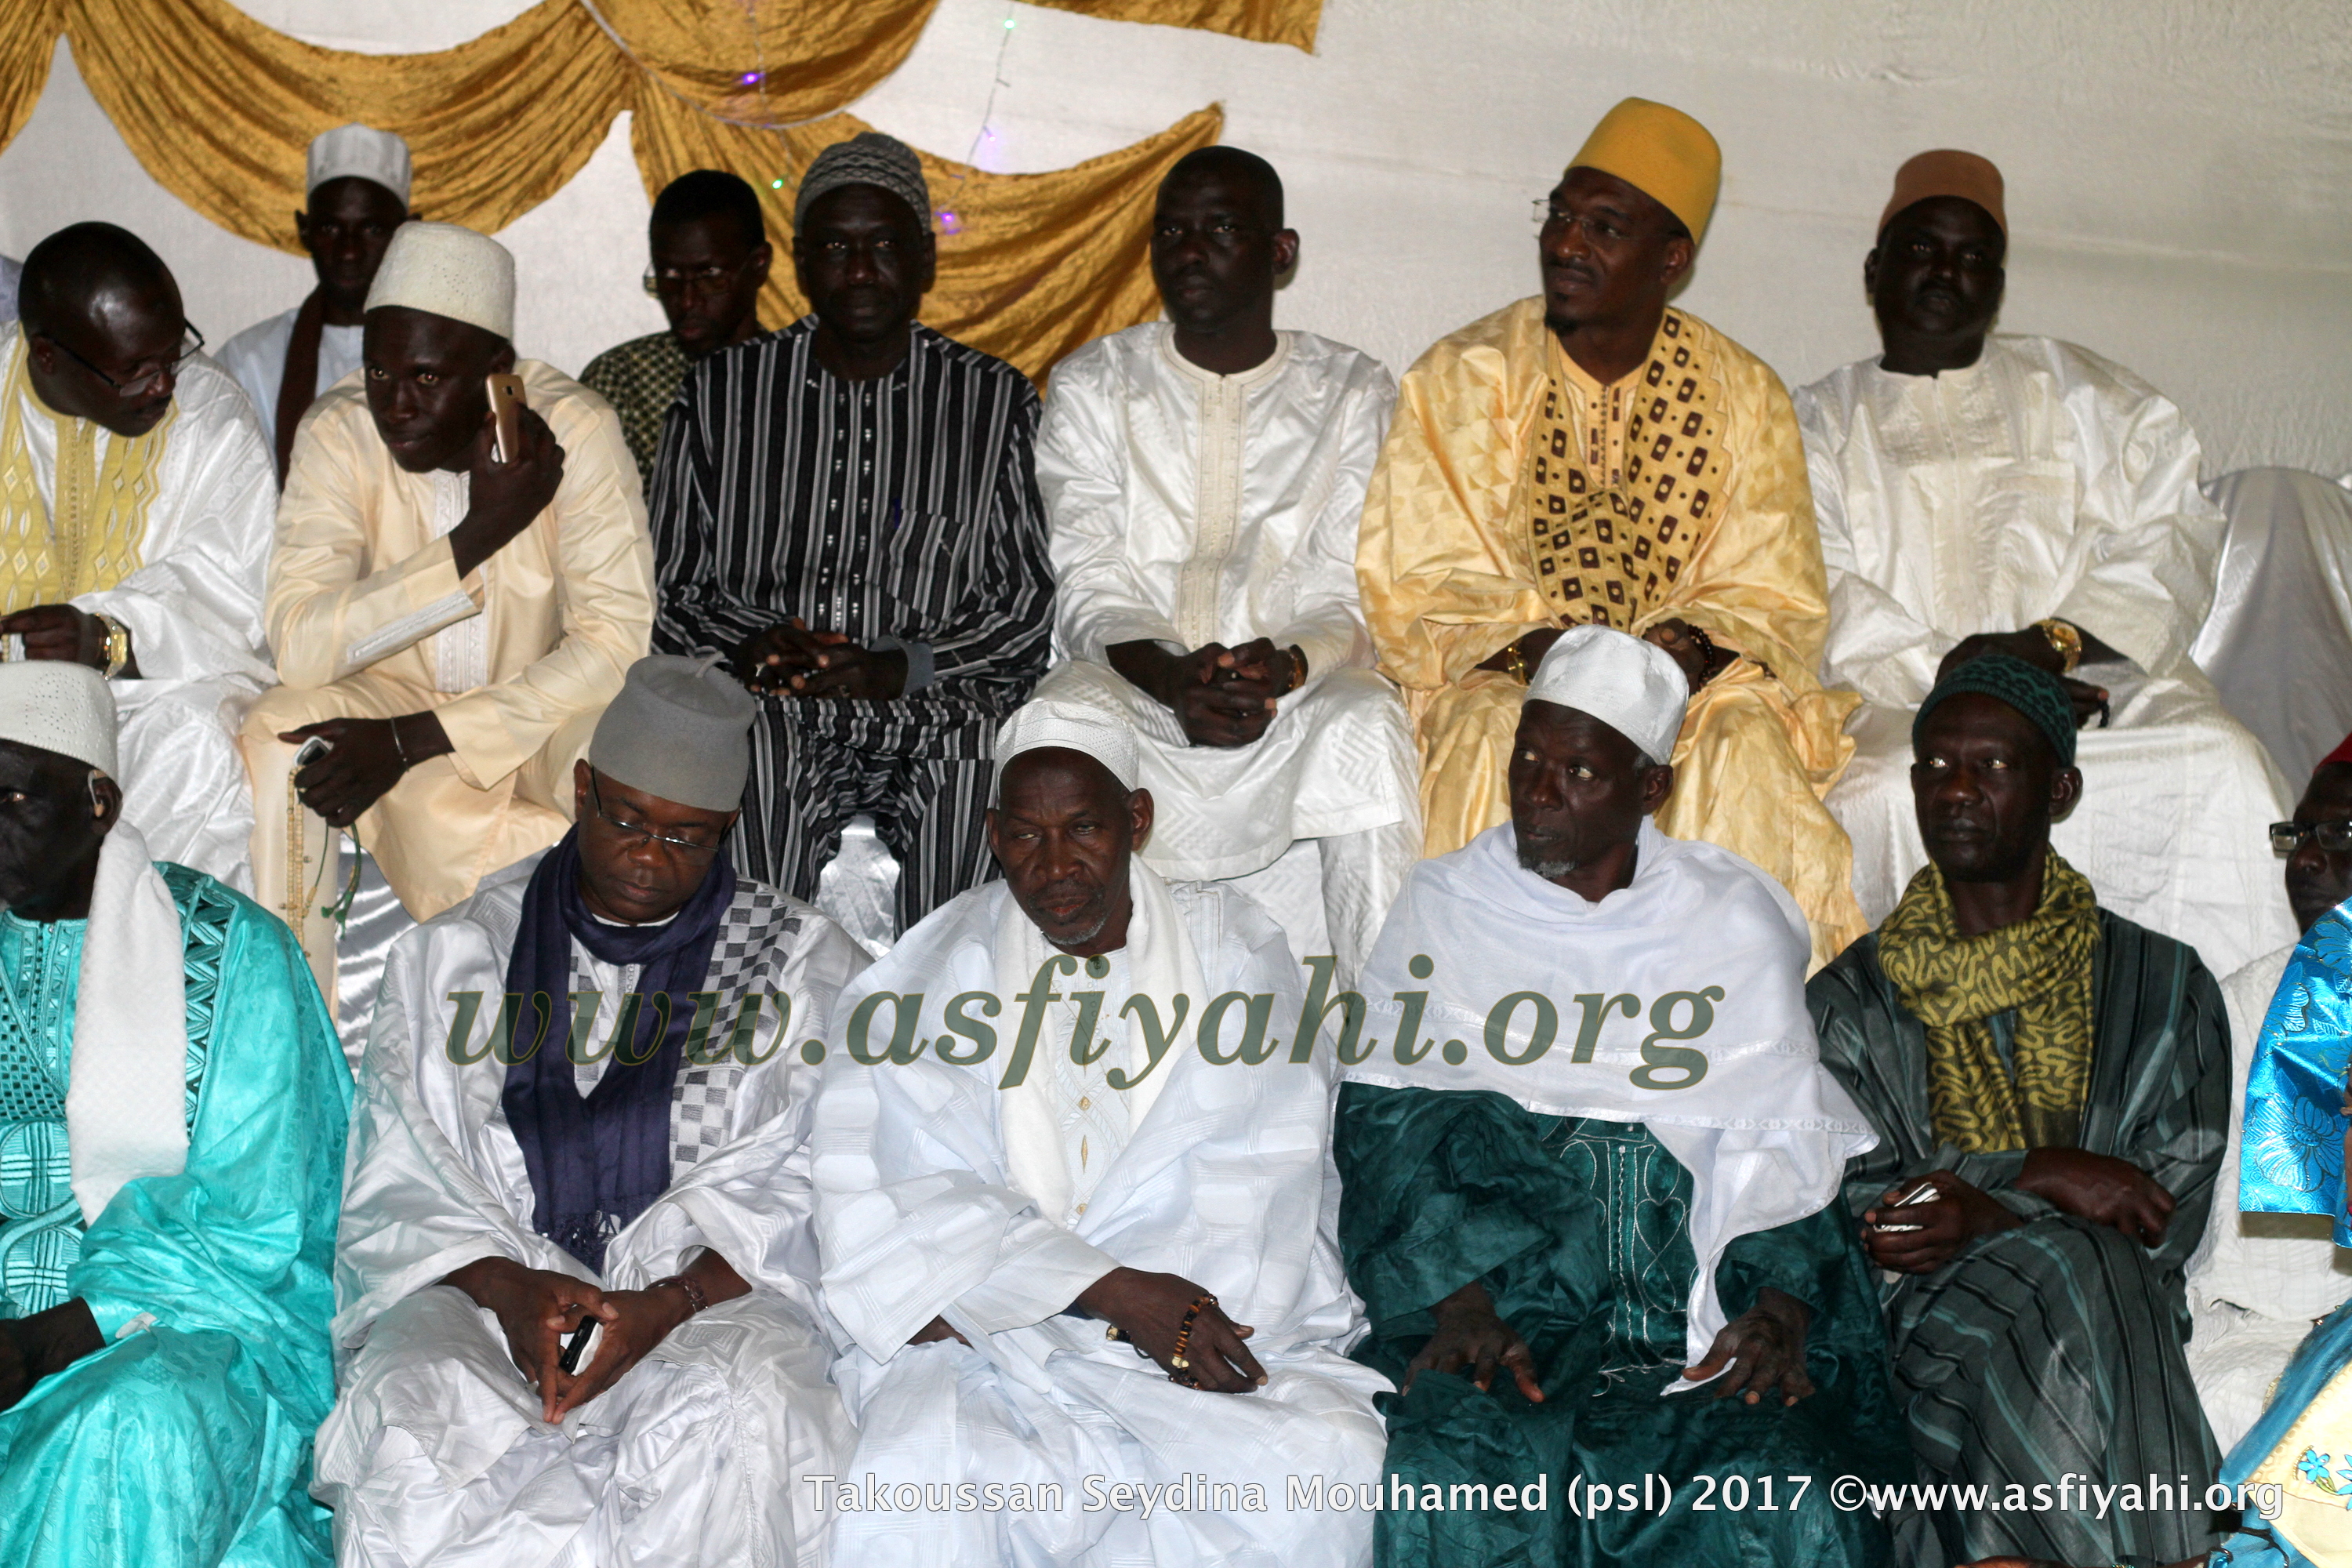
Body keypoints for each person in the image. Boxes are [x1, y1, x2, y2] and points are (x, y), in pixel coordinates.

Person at [1334, 625, 1904, 1568]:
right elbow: (1388, 1134)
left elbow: (1785, 1146)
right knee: (1455, 1470)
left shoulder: (1733, 921)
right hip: (1511, 1313)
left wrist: (1776, 1310)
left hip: (1698, 1312)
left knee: (1788, 1486)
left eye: (1579, 771)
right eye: (1527, 760)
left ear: (1650, 789)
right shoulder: (1445, 908)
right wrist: (1459, 1301)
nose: (1539, 790)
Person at [810, 700, 1388, 1568]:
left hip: (1201, 1309)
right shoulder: (935, 968)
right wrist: (1105, 1288)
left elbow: (1266, 1159)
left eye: (1083, 827)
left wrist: (1153, 1310)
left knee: (1322, 1465)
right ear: (994, 834)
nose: (1054, 867)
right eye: (1025, 836)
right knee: (921, 1477)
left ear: (1138, 820)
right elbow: (890, 1179)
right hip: (995, 1339)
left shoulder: (1237, 949)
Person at [316, 654, 864, 1566]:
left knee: (745, 1407)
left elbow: (827, 1187)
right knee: (413, 1411)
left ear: (729, 827)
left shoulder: (805, 967)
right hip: (493, 1289)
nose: (651, 857)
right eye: (627, 820)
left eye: (688, 838)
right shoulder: (462, 954)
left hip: (707, 1303)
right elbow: (401, 1177)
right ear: (582, 787)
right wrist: (506, 1286)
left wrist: (666, 1302)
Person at [1358, 96, 1866, 969]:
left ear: (1672, 259)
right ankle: (1479, 1033)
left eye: (1603, 226)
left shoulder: (1745, 393)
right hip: (1517, 670)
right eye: (1558, 216)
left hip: (1685, 691)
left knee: (1745, 742)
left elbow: (1774, 591)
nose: (1565, 244)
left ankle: (1721, 1030)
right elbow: (1424, 576)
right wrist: (1562, 659)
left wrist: (1691, 654)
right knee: (1489, 733)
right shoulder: (1465, 374)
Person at [1798, 150, 2292, 981]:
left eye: (1974, 257)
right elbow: (1823, 592)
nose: (1947, 271)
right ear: (1874, 270)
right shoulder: (1813, 424)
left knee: (2222, 764)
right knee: (1881, 798)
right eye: (1923, 249)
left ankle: (2251, 1072)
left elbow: (2172, 534)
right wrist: (1979, 687)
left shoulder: (2090, 396)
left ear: (1998, 283)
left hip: (2097, 689)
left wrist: (2053, 644)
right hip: (1903, 705)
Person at [1807, 654, 2229, 1567]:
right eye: (1934, 767)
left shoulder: (2163, 985)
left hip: (2112, 1312)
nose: (1955, 789)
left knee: (2086, 1268)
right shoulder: (1852, 1001)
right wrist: (2038, 1174)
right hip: (1920, 1334)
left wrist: (1984, 1202)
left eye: (1991, 765)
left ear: (2060, 787)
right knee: (2080, 1261)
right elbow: (1864, 1217)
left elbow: (2160, 1215)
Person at [651, 131, 1052, 936]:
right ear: (799, 262)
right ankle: (752, 1028)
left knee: (980, 761)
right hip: (779, 704)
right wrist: (754, 641)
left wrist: (900, 663)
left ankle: (936, 1033)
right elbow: (673, 586)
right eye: (836, 247)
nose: (861, 270)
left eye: (884, 247)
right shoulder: (724, 395)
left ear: (926, 260)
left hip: (937, 704)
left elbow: (1023, 607)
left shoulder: (991, 401)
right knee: (751, 750)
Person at [241, 220, 653, 1004]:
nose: (394, 404)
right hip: (384, 693)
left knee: (621, 755)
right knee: (280, 726)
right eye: (377, 372)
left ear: (500, 372)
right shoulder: (338, 430)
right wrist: (476, 536)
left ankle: (613, 1022)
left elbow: (614, 644)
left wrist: (414, 744)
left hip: (537, 713)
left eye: (427, 379)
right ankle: (291, 1015)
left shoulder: (580, 429)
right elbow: (298, 643)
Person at [1029, 146, 1417, 976]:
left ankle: (1386, 1044)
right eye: (1172, 230)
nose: (1189, 250)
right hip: (1136, 686)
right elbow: (1089, 584)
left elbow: (1349, 585)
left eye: (1221, 229)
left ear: (1280, 253)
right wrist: (1172, 677)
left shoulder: (1352, 391)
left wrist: (1281, 666)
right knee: (1058, 718)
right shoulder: (1096, 384)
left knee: (1369, 723)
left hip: (1290, 697)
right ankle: (1059, 1013)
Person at [0, 662, 350, 1567]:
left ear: (100, 801)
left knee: (132, 1425)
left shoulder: (232, 955)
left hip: (181, 1333)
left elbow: (261, 1221)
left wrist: (52, 1337)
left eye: (14, 796)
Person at [2, 222, 277, 886]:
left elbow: (238, 598)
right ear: (48, 359)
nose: (163, 387)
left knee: (193, 741)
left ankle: (143, 968)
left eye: (173, 355)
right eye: (134, 373)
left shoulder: (212, 418)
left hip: (141, 701)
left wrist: (106, 636)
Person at [2183, 738, 2352, 1449]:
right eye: (2300, 837)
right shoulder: (2244, 1002)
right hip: (2269, 1320)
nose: (2308, 859)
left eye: (2339, 834)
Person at [216, 125, 413, 484]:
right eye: (330, 229)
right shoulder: (248, 364)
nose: (349, 251)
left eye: (371, 230)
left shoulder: (453, 356)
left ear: (407, 232)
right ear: (304, 230)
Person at [583, 169, 772, 485]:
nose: (686, 302)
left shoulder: (801, 379)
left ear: (758, 265)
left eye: (710, 277)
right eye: (669, 277)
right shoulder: (620, 381)